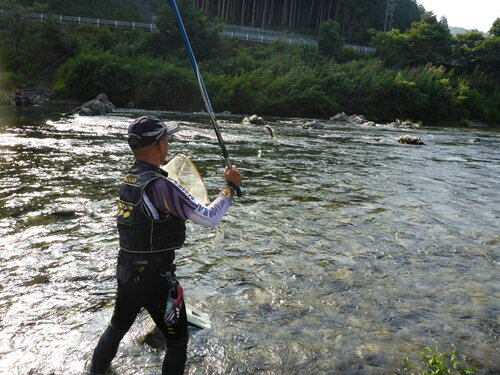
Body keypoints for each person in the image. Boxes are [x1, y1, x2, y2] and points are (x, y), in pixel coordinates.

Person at [90, 116, 243, 375]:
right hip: (157, 280)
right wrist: (229, 187)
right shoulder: (163, 185)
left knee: (116, 327)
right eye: (167, 140)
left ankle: (95, 372)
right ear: (161, 145)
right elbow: (209, 218)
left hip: (126, 271)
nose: (168, 145)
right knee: (177, 341)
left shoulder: (130, 178)